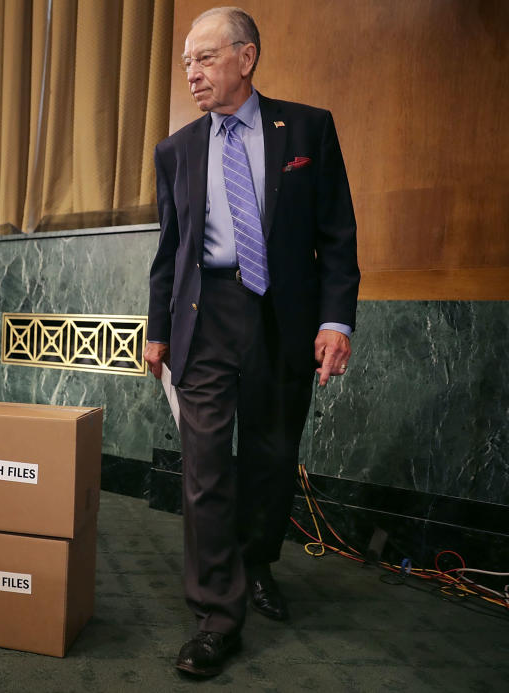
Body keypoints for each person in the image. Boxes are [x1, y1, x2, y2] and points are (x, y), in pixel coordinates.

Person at [144, 6, 359, 677]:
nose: (192, 73)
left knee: (270, 457)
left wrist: (336, 319)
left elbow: (337, 235)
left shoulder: (309, 129)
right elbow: (169, 249)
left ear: (247, 56)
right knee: (205, 463)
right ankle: (215, 613)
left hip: (281, 317)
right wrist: (156, 329)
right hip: (205, 315)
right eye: (186, 62)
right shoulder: (176, 149)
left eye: (204, 58)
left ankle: (256, 562)